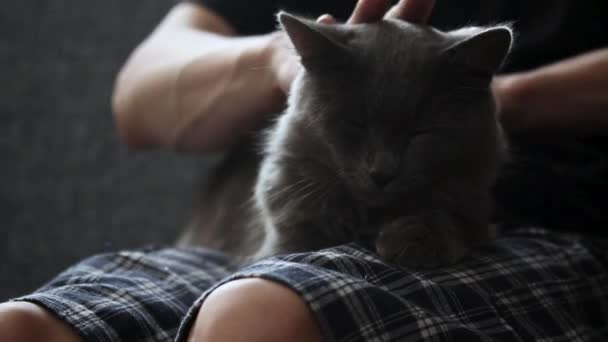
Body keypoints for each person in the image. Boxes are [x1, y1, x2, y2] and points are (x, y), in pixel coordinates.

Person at [1, 0, 607, 341]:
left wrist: (514, 96)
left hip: (523, 227)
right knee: (23, 328)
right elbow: (136, 100)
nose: (380, 168)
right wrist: (273, 59)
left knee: (255, 317)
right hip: (235, 247)